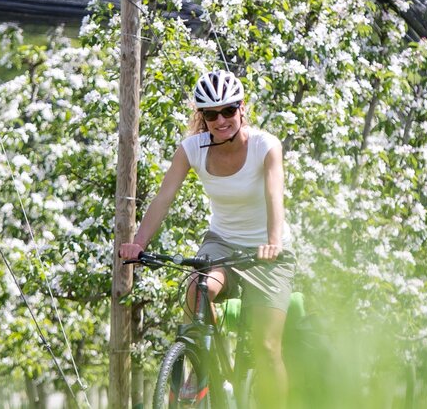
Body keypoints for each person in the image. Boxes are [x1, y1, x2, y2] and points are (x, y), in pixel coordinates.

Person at [119, 69, 295, 407]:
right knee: (197, 288)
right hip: (223, 242)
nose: (221, 120)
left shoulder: (265, 146)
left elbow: (275, 197)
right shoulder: (192, 149)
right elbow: (163, 197)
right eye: (211, 114)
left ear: (242, 108)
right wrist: (139, 242)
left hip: (268, 250)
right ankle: (202, 360)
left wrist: (273, 242)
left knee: (268, 347)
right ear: (203, 117)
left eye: (228, 110)